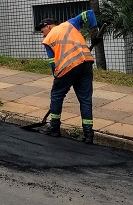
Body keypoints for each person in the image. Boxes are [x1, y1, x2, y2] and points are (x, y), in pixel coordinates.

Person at [35, 10, 102, 144]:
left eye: (42, 31)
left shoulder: (48, 39)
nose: (43, 35)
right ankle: (88, 134)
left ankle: (54, 128)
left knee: (57, 95)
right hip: (86, 63)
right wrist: (93, 31)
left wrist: (56, 76)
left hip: (67, 68)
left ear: (48, 26)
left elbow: (53, 63)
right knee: (85, 99)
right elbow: (89, 13)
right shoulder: (71, 24)